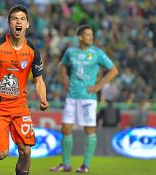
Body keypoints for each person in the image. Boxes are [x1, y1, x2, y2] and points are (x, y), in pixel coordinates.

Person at [0, 4, 49, 175]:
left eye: (22, 19)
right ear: (9, 23)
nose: (19, 22)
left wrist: (42, 98)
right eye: (15, 18)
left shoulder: (32, 51)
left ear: (28, 24)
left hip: (19, 105)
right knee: (1, 154)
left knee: (26, 151)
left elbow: (38, 80)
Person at [50, 24, 118, 173]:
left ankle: (85, 165)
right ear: (80, 37)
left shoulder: (97, 53)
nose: (91, 37)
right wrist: (65, 81)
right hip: (72, 96)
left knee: (89, 129)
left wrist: (99, 86)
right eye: (88, 34)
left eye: (92, 34)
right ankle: (66, 164)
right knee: (66, 128)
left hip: (88, 98)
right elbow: (62, 66)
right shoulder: (71, 52)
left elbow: (113, 70)